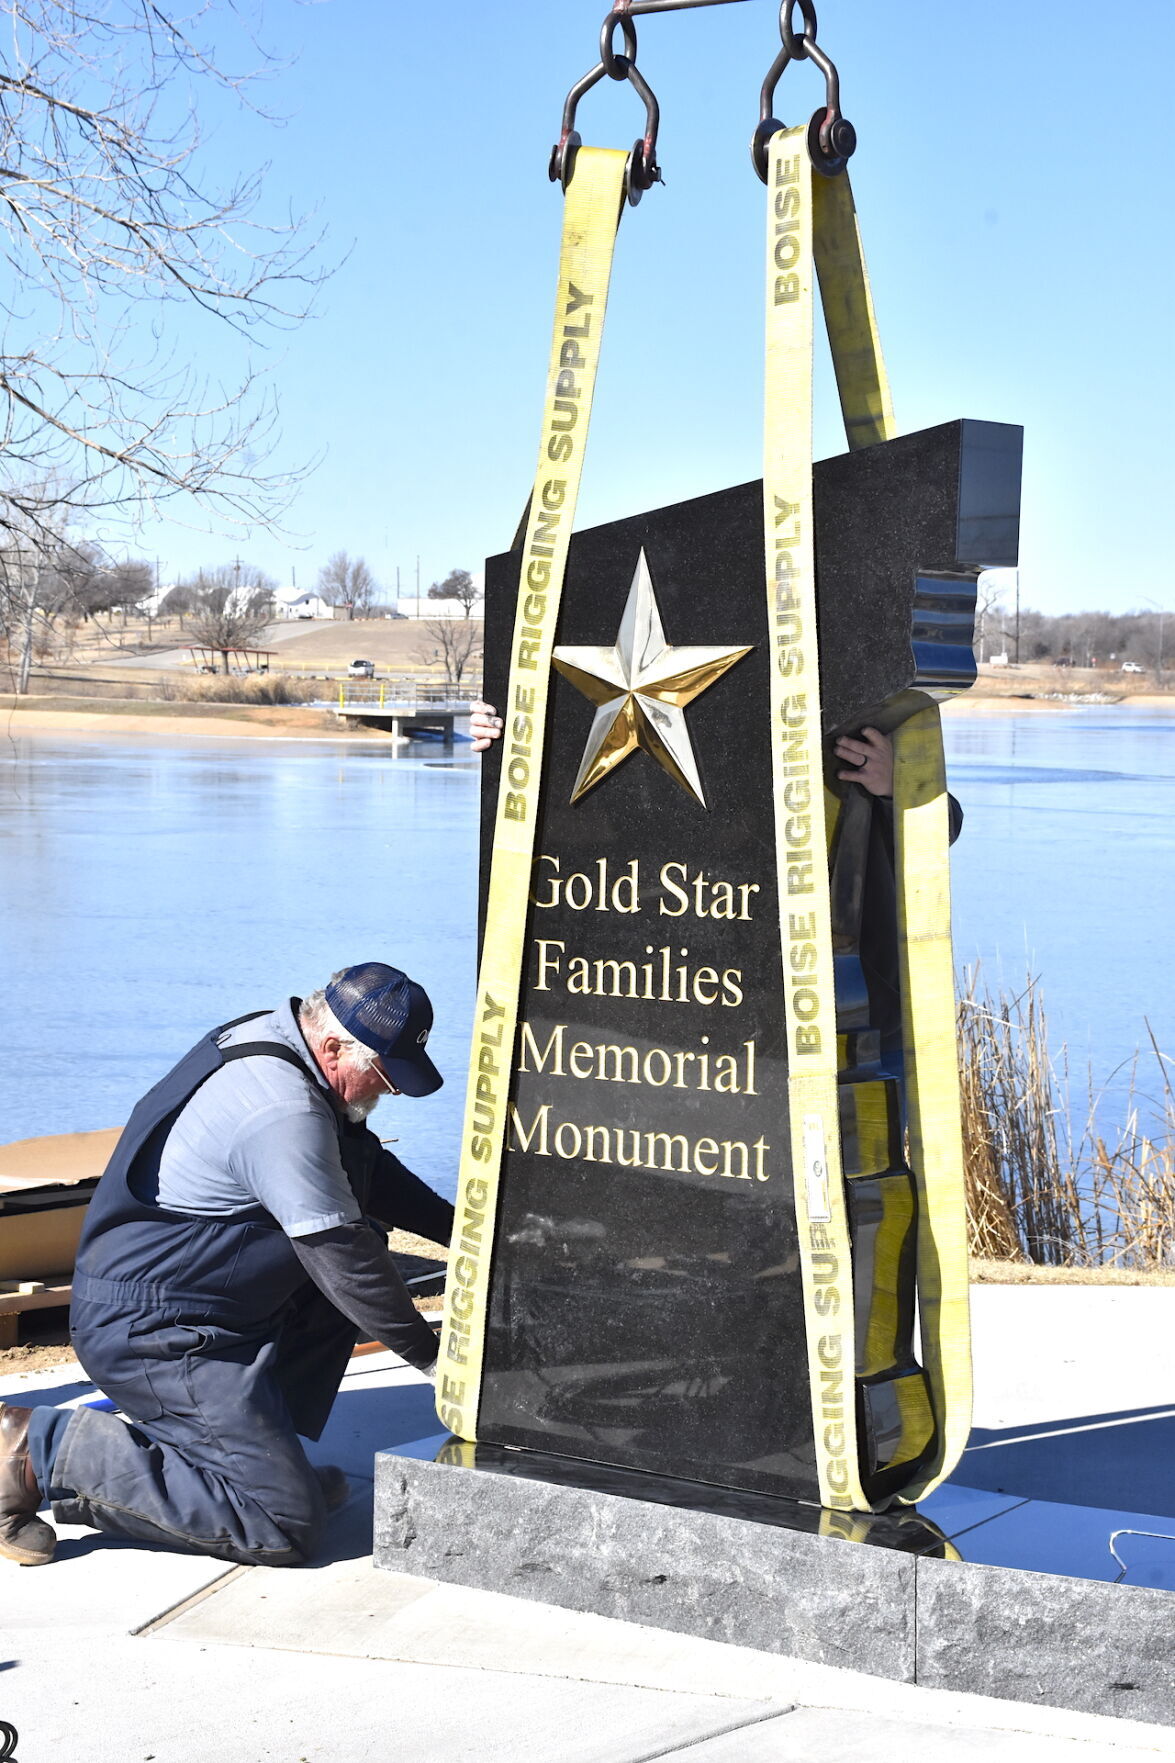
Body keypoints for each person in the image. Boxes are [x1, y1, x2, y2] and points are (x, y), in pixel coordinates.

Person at [0, 706, 505, 1570]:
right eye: (380, 1076)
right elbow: (344, 1255)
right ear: (336, 1043)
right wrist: (442, 1364)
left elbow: (373, 1183)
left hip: (208, 1308)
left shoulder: (296, 1051)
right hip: (155, 1329)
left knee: (362, 1230)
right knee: (282, 1526)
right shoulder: (281, 1109)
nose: (384, 1094)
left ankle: (252, 1461)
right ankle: (34, 1447)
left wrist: (484, 1240)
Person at [833, 724, 963, 1073]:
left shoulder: (879, 717)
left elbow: (944, 826)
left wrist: (898, 785)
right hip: (742, 1012)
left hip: (872, 1019)